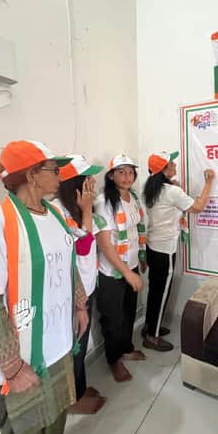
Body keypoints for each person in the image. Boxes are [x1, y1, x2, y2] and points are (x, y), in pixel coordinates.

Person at [0, 140, 89, 434]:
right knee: (27, 429)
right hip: (25, 355)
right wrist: (13, 367)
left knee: (56, 414)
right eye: (54, 169)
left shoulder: (53, 213)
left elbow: (68, 260)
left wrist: (80, 304)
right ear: (31, 175)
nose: (60, 175)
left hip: (58, 341)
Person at [142, 150, 215, 351]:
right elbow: (198, 207)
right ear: (164, 170)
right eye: (171, 163)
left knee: (155, 290)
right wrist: (209, 182)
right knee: (161, 292)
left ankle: (150, 326)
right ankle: (152, 336)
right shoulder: (171, 191)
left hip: (153, 246)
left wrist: (173, 185)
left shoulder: (151, 188)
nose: (175, 165)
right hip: (165, 250)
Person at [53, 154, 106, 415]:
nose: (93, 184)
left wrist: (86, 210)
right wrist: (86, 210)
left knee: (80, 344)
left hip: (86, 285)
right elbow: (83, 247)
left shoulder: (76, 208)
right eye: (88, 180)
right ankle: (72, 400)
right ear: (74, 184)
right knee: (74, 346)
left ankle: (80, 389)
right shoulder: (58, 211)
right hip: (72, 292)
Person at [94, 155, 147, 383]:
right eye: (121, 172)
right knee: (113, 320)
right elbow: (105, 244)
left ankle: (126, 349)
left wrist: (141, 256)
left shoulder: (133, 197)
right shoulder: (104, 202)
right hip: (114, 272)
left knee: (128, 313)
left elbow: (137, 229)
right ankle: (114, 360)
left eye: (130, 172)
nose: (127, 177)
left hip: (131, 266)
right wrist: (126, 273)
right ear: (111, 175)